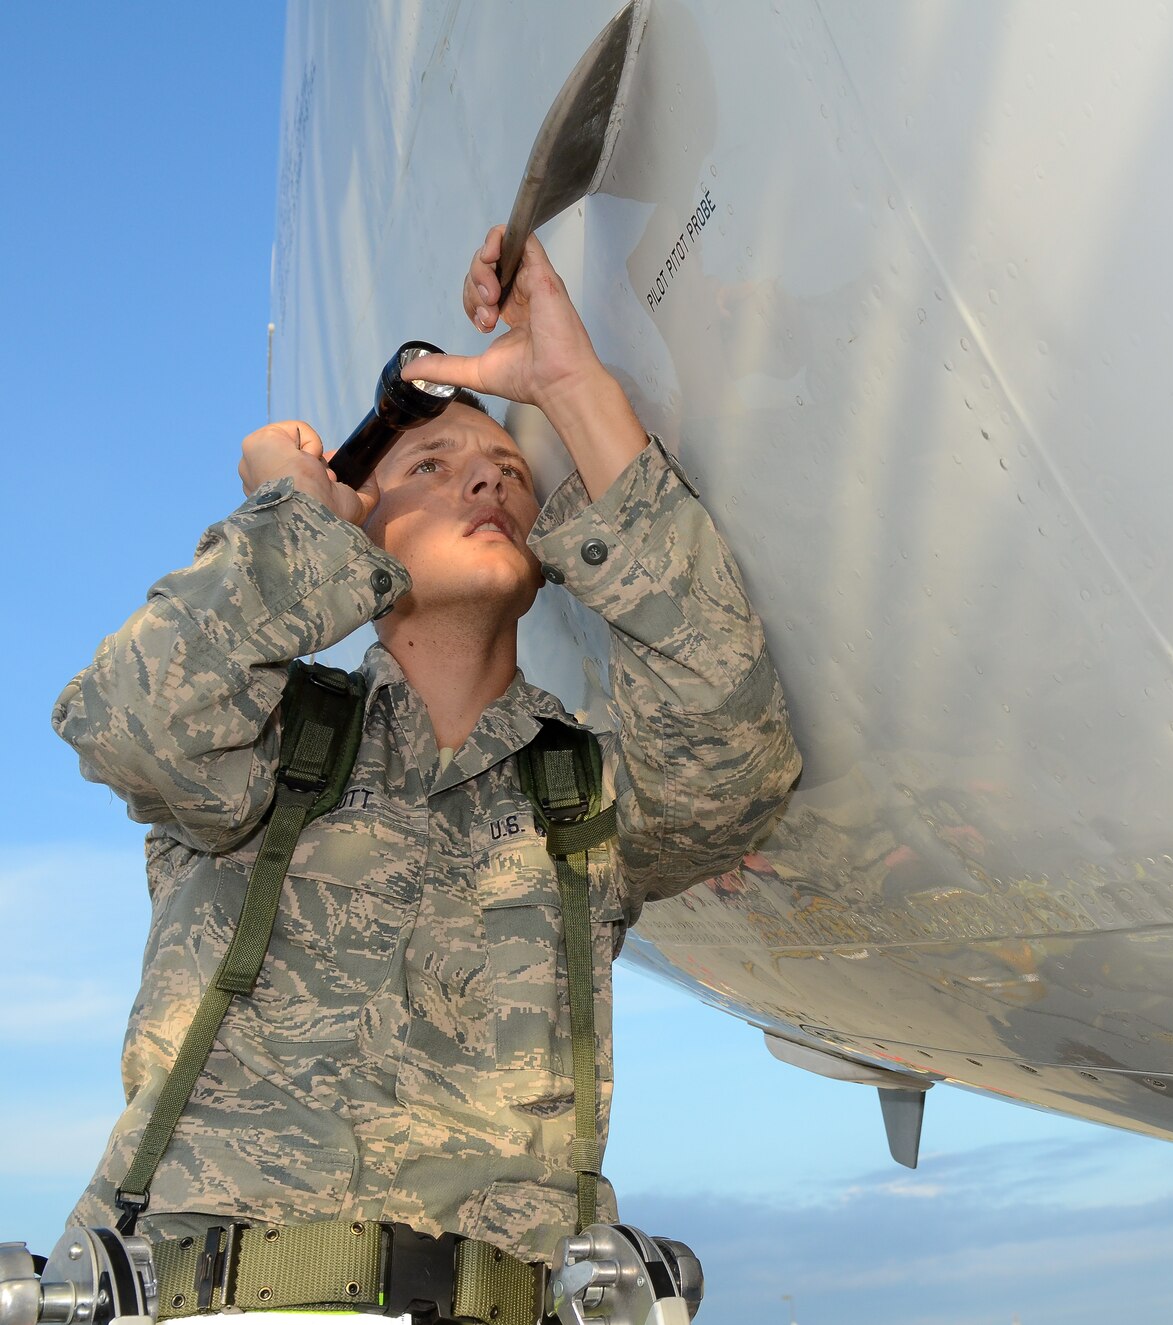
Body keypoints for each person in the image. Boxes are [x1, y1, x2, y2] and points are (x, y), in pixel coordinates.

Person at [51, 224, 801, 1297]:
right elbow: (122, 721)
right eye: (431, 465)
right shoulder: (263, 740)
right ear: (363, 524)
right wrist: (289, 524)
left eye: (507, 471)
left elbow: (733, 757)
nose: (483, 482)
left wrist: (574, 387)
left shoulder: (579, 797)